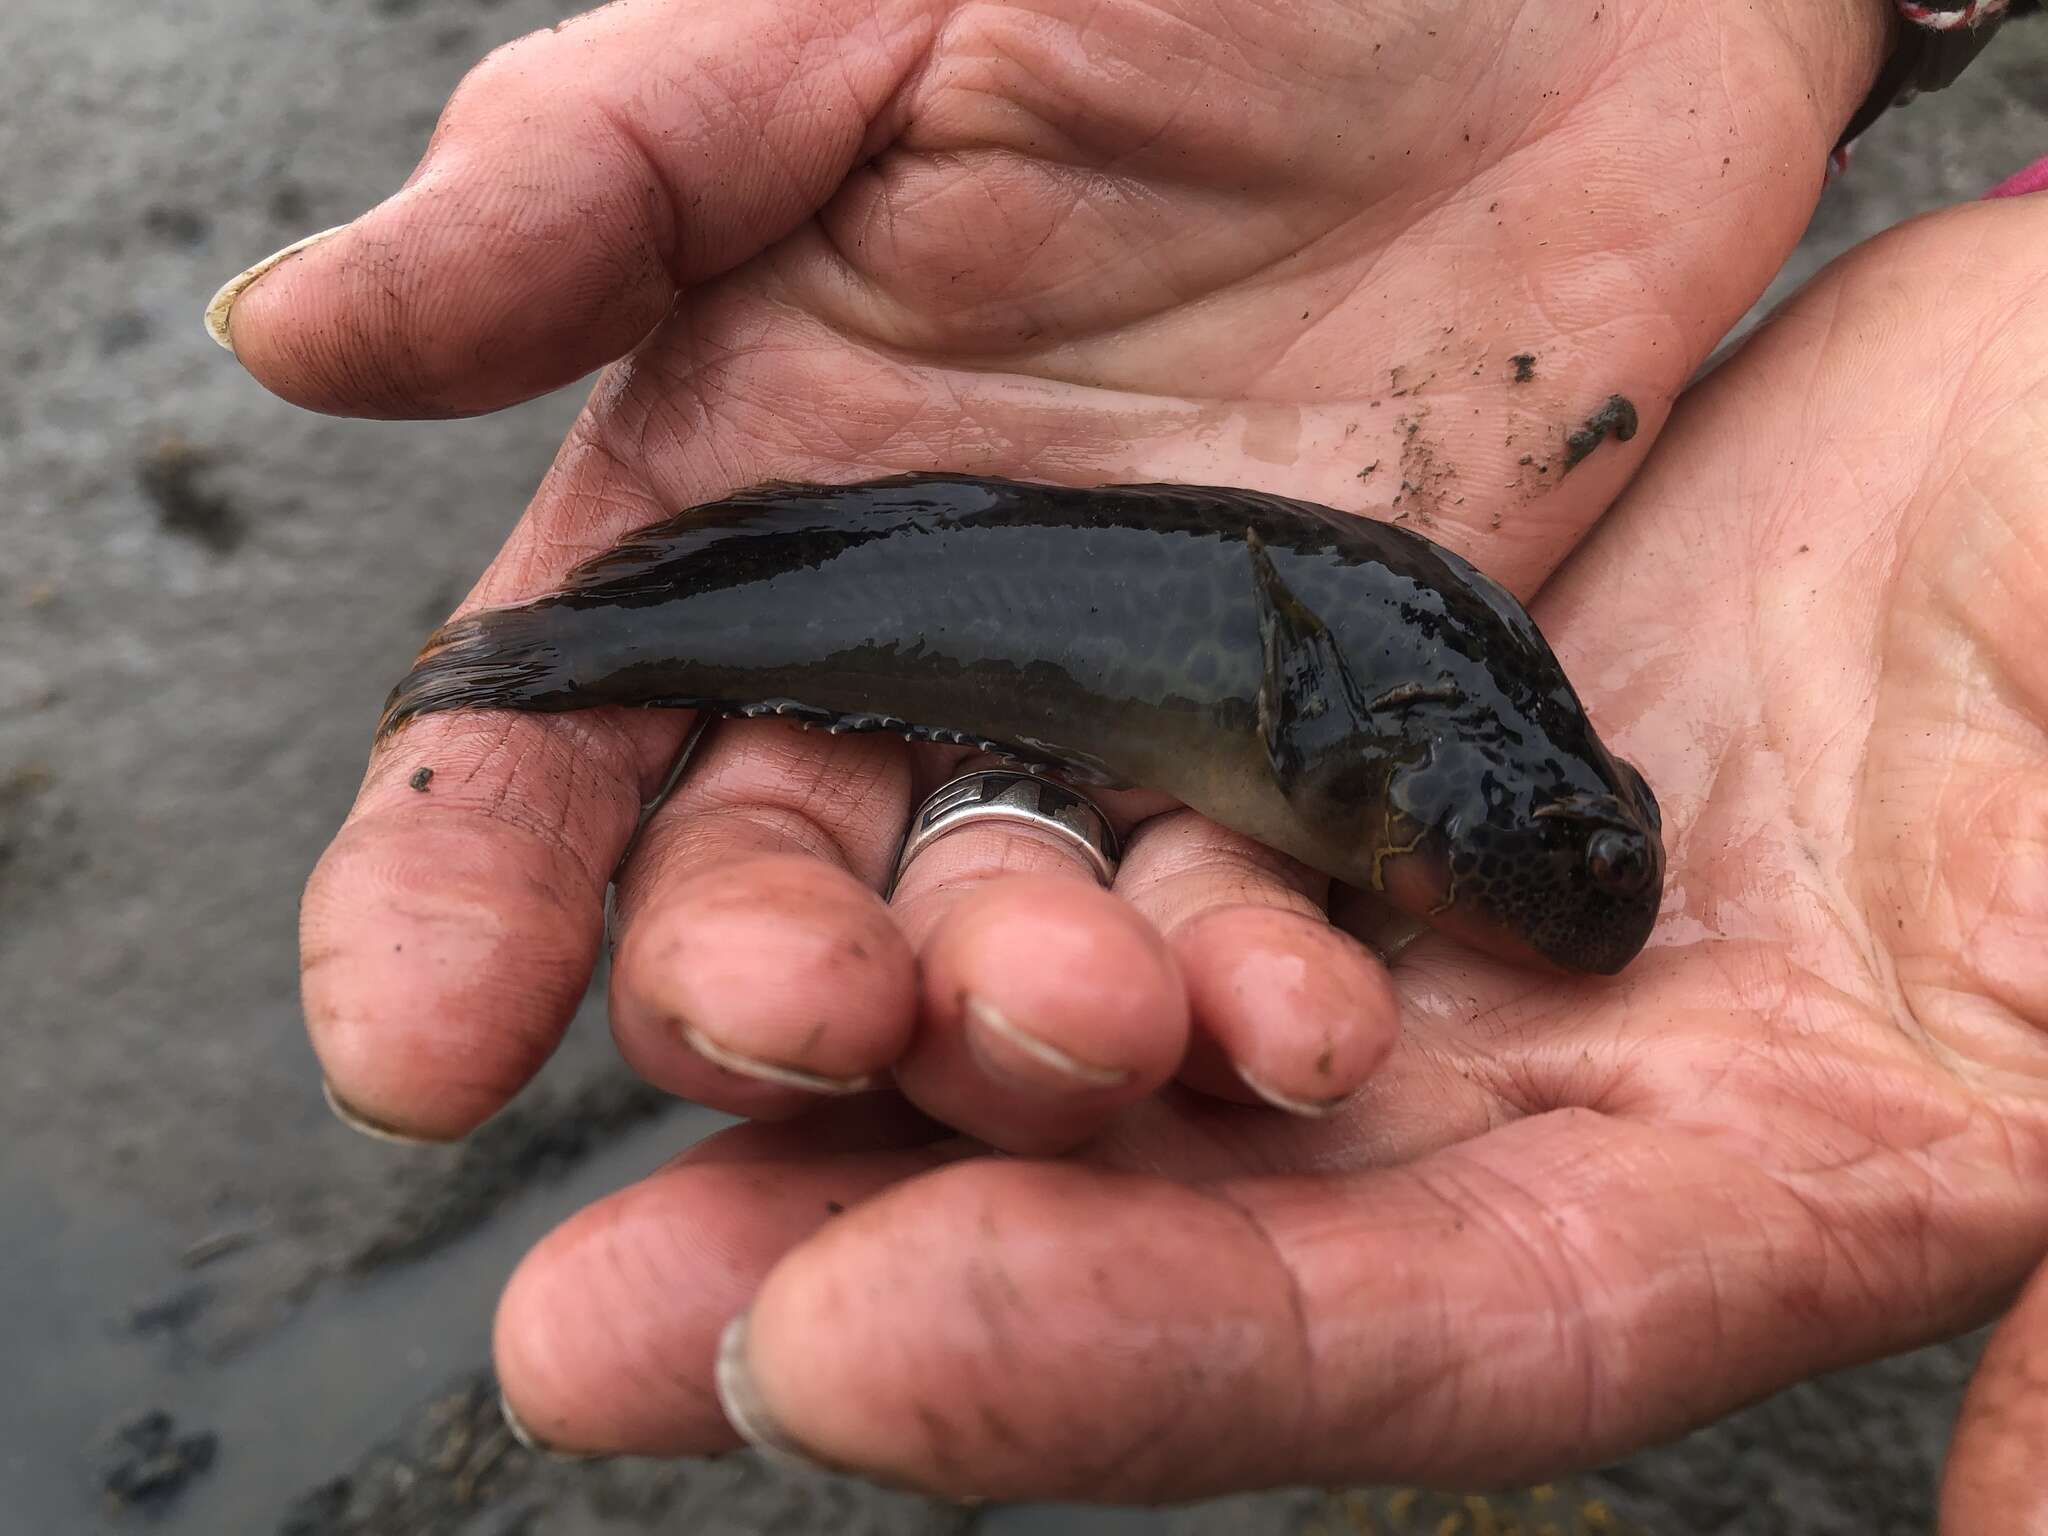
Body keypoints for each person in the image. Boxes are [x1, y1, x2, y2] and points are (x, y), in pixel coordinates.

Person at [209, 0, 2048, 1517]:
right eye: (1566, 850)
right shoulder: (1422, 734)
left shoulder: (1438, 742)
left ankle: (558, 658)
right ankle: (546, 665)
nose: (1575, 874)